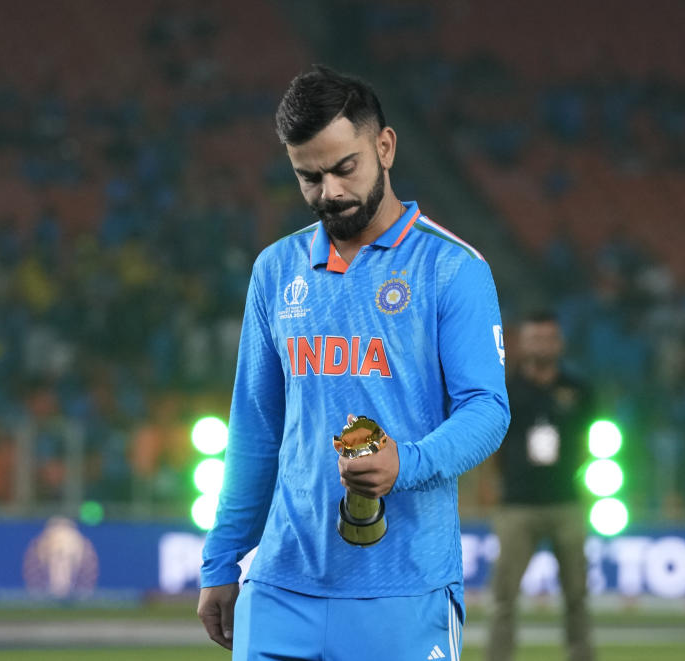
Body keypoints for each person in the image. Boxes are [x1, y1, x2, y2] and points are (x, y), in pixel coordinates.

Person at [197, 65, 510, 660]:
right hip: (280, 585)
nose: (330, 192)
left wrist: (408, 463)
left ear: (384, 147)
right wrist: (221, 558)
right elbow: (256, 431)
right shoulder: (276, 270)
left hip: (404, 588)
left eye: (345, 168)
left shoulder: (452, 268)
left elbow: (487, 410)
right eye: (308, 177)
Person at [487, 310, 595, 661]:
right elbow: (490, 445)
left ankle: (581, 655)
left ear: (559, 343)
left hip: (566, 502)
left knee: (577, 595)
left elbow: (591, 442)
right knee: (504, 596)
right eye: (534, 338)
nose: (541, 345)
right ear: (521, 343)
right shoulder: (504, 390)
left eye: (547, 338)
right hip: (517, 504)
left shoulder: (578, 390)